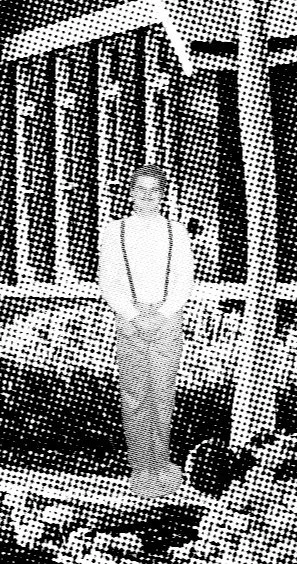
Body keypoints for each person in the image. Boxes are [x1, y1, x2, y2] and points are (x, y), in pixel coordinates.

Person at [97, 165, 196, 499]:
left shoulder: (176, 231)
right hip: (129, 321)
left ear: (163, 194)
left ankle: (164, 465)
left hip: (167, 320)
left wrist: (166, 312)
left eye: (155, 190)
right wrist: (131, 313)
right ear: (130, 192)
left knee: (164, 394)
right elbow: (108, 279)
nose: (147, 196)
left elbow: (184, 278)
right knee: (136, 395)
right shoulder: (114, 231)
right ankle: (142, 469)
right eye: (141, 189)